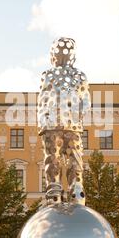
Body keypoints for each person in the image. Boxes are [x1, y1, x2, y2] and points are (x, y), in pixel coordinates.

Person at [37, 37, 91, 204]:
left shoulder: (48, 74)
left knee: (54, 157)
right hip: (69, 125)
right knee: (73, 156)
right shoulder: (79, 75)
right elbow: (86, 101)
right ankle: (75, 189)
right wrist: (79, 115)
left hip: (53, 125)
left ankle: (56, 190)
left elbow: (43, 98)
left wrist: (42, 122)